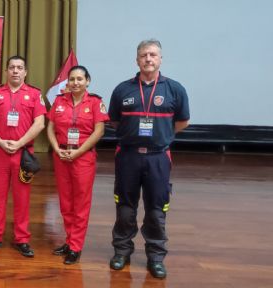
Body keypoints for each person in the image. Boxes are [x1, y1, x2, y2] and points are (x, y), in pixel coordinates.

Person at [108, 39, 190, 278]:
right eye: (144, 55)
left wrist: (162, 135)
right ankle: (122, 252)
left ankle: (155, 257)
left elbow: (183, 121)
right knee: (125, 208)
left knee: (156, 210)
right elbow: (114, 120)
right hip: (128, 157)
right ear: (137, 60)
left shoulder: (174, 89)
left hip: (157, 158)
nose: (148, 59)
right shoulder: (123, 89)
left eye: (153, 55)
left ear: (160, 59)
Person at [0, 56, 46, 258]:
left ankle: (22, 239)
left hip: (23, 154)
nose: (15, 71)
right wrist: (0, 141)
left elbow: (40, 124)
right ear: (6, 71)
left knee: (22, 198)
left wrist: (19, 143)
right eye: (12, 68)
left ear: (25, 72)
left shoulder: (34, 94)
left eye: (20, 68)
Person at [47, 65, 109, 264]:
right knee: (66, 202)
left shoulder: (95, 102)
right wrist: (56, 148)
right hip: (62, 155)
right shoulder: (59, 101)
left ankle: (76, 246)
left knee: (80, 203)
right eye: (72, 79)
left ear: (87, 81)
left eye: (79, 79)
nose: (75, 83)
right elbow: (51, 127)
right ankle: (69, 239)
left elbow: (99, 131)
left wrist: (79, 152)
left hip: (83, 157)